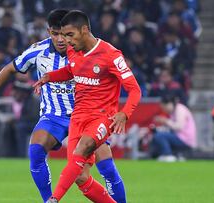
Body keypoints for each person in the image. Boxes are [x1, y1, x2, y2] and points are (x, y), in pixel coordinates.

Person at [0, 9, 128, 203]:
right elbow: (10, 68)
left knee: (103, 168)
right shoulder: (38, 51)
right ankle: (48, 200)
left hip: (87, 117)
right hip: (54, 116)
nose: (60, 39)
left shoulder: (87, 49)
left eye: (64, 34)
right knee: (36, 150)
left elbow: (114, 76)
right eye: (55, 34)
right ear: (49, 32)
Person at [32, 10, 141, 202]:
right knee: (81, 177)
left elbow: (134, 90)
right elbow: (71, 70)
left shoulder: (111, 55)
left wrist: (124, 114)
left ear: (84, 30)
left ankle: (54, 199)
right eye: (63, 35)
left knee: (84, 150)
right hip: (78, 116)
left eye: (70, 35)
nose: (66, 41)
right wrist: (49, 77)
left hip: (102, 116)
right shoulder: (73, 51)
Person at [151, 95, 196, 162]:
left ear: (169, 104)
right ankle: (168, 155)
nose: (164, 110)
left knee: (159, 136)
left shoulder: (180, 109)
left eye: (164, 107)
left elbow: (179, 126)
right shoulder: (174, 111)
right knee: (158, 135)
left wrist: (165, 121)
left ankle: (168, 155)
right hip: (181, 137)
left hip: (185, 139)